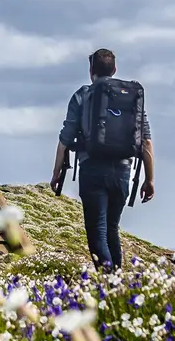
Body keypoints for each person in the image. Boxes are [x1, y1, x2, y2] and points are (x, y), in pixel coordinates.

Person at [50, 48, 154, 270]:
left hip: (93, 171)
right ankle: (118, 284)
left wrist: (56, 172)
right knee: (112, 229)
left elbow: (65, 138)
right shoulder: (132, 96)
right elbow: (146, 141)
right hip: (123, 172)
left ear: (91, 71)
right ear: (114, 70)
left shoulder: (82, 95)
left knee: (97, 232)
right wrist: (150, 179)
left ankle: (109, 285)